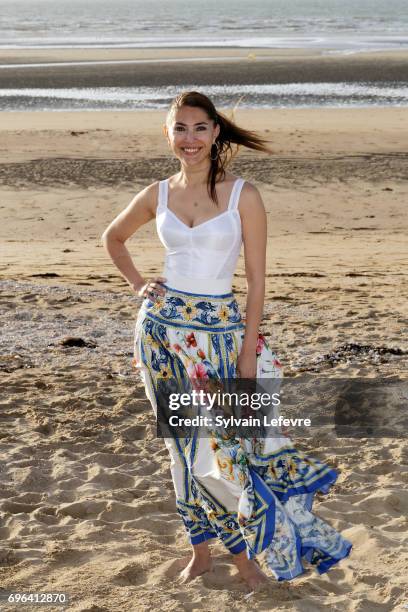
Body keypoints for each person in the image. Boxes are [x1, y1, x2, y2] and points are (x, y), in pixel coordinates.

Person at [101, 91, 352, 589]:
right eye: (179, 129)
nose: (188, 139)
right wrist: (138, 284)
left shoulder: (244, 195)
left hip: (218, 340)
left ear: (216, 132)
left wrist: (245, 351)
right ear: (168, 134)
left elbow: (257, 282)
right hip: (159, 336)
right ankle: (200, 553)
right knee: (180, 449)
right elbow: (113, 237)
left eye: (198, 128)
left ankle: (244, 560)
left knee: (225, 452)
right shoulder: (158, 192)